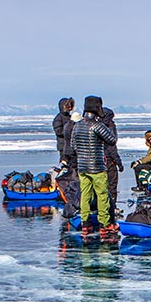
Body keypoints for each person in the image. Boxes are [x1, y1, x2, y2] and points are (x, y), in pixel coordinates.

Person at [71, 96, 119, 235]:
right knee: (102, 194)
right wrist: (112, 128)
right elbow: (112, 140)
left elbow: (73, 146)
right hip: (97, 167)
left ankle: (85, 223)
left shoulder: (77, 125)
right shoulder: (97, 126)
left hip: (82, 167)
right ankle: (104, 223)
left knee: (85, 195)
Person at [101, 105, 122, 216]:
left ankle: (102, 207)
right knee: (112, 184)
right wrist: (118, 162)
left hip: (97, 162)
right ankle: (111, 207)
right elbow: (111, 147)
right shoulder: (109, 128)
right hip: (109, 161)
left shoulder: (95, 126)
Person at [53, 98, 75, 162]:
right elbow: (58, 131)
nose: (69, 107)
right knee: (64, 162)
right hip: (63, 145)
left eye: (70, 105)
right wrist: (69, 131)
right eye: (68, 105)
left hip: (71, 145)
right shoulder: (58, 118)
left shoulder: (70, 117)